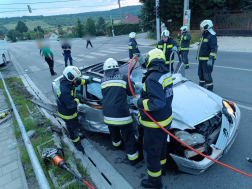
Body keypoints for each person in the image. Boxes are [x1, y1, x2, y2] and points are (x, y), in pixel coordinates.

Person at [132, 49, 173, 188]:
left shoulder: (152, 79)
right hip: (165, 121)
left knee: (152, 153)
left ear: (152, 60)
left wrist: (139, 102)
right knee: (161, 148)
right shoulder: (165, 73)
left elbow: (157, 102)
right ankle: (163, 170)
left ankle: (154, 182)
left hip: (155, 125)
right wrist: (141, 61)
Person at [101, 58, 141, 166]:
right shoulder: (124, 78)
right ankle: (133, 158)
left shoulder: (102, 80)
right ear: (116, 68)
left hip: (107, 114)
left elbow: (106, 95)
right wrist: (131, 83)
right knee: (128, 136)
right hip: (121, 115)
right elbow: (130, 92)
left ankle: (116, 145)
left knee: (113, 131)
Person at [56, 66, 93, 153]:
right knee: (72, 128)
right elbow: (71, 105)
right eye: (75, 79)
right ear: (71, 78)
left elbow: (79, 81)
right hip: (67, 113)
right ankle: (76, 142)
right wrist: (78, 98)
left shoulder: (68, 81)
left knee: (75, 125)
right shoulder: (64, 90)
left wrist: (88, 81)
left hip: (70, 112)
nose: (77, 80)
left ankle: (77, 135)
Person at [196, 20, 217, 91]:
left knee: (207, 75)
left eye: (201, 28)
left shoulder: (211, 37)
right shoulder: (204, 35)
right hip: (202, 59)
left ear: (206, 28)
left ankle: (210, 89)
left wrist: (211, 58)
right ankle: (201, 86)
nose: (200, 29)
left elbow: (213, 49)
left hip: (207, 60)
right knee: (200, 74)